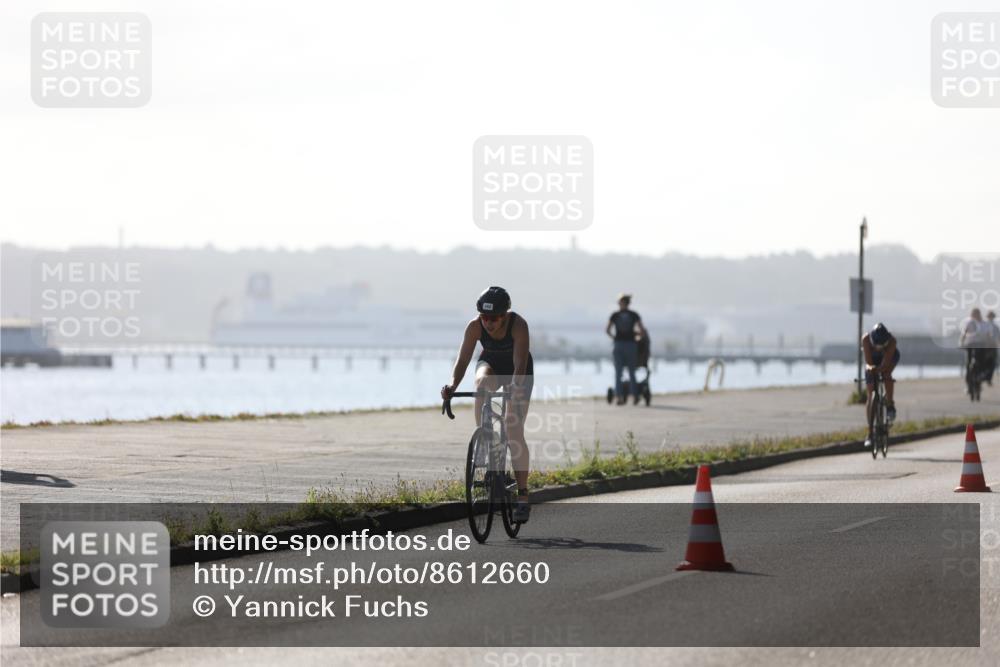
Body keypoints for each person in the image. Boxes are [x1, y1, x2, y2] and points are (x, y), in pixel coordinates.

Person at [440, 286, 534, 522]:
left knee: (513, 430)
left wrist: (515, 385)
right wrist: (452, 385)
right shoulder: (474, 326)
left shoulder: (519, 325)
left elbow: (520, 362)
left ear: (505, 315)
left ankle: (523, 495)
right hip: (491, 362)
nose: (489, 323)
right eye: (485, 317)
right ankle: (484, 435)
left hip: (518, 370)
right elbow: (463, 360)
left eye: (494, 318)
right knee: (481, 385)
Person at [605, 294, 648, 405]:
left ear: (620, 303)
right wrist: (637, 336)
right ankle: (635, 396)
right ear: (628, 303)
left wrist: (615, 338)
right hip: (631, 345)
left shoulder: (615, 315)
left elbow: (608, 330)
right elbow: (642, 331)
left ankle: (619, 397)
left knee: (618, 372)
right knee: (632, 372)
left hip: (618, 345)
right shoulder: (634, 315)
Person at [862, 322, 899, 448]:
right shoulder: (866, 339)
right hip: (872, 360)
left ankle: (890, 404)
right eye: (876, 345)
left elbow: (885, 363)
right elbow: (868, 362)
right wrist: (872, 371)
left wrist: (880, 370)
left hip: (889, 358)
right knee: (870, 393)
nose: (878, 348)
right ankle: (870, 432)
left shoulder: (892, 341)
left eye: (881, 345)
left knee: (887, 374)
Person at [959, 308, 987, 393]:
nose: (975, 316)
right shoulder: (969, 323)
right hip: (970, 345)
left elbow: (987, 335)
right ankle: (969, 386)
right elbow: (964, 334)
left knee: (981, 363)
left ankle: (979, 381)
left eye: (976, 314)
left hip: (980, 345)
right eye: (973, 314)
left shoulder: (983, 324)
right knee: (968, 365)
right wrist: (961, 343)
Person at [985, 311, 999, 386]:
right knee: (987, 362)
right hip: (985, 347)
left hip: (992, 347)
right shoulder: (984, 325)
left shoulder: (995, 327)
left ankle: (989, 378)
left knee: (992, 363)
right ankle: (986, 377)